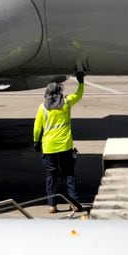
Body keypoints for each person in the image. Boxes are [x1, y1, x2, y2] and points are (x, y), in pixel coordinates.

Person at [33, 73, 85, 213]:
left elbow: (37, 128)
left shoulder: (42, 108)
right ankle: (74, 203)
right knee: (69, 174)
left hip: (49, 147)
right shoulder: (67, 103)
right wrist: (81, 81)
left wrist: (36, 141)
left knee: (51, 176)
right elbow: (79, 95)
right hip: (65, 146)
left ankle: (52, 205)